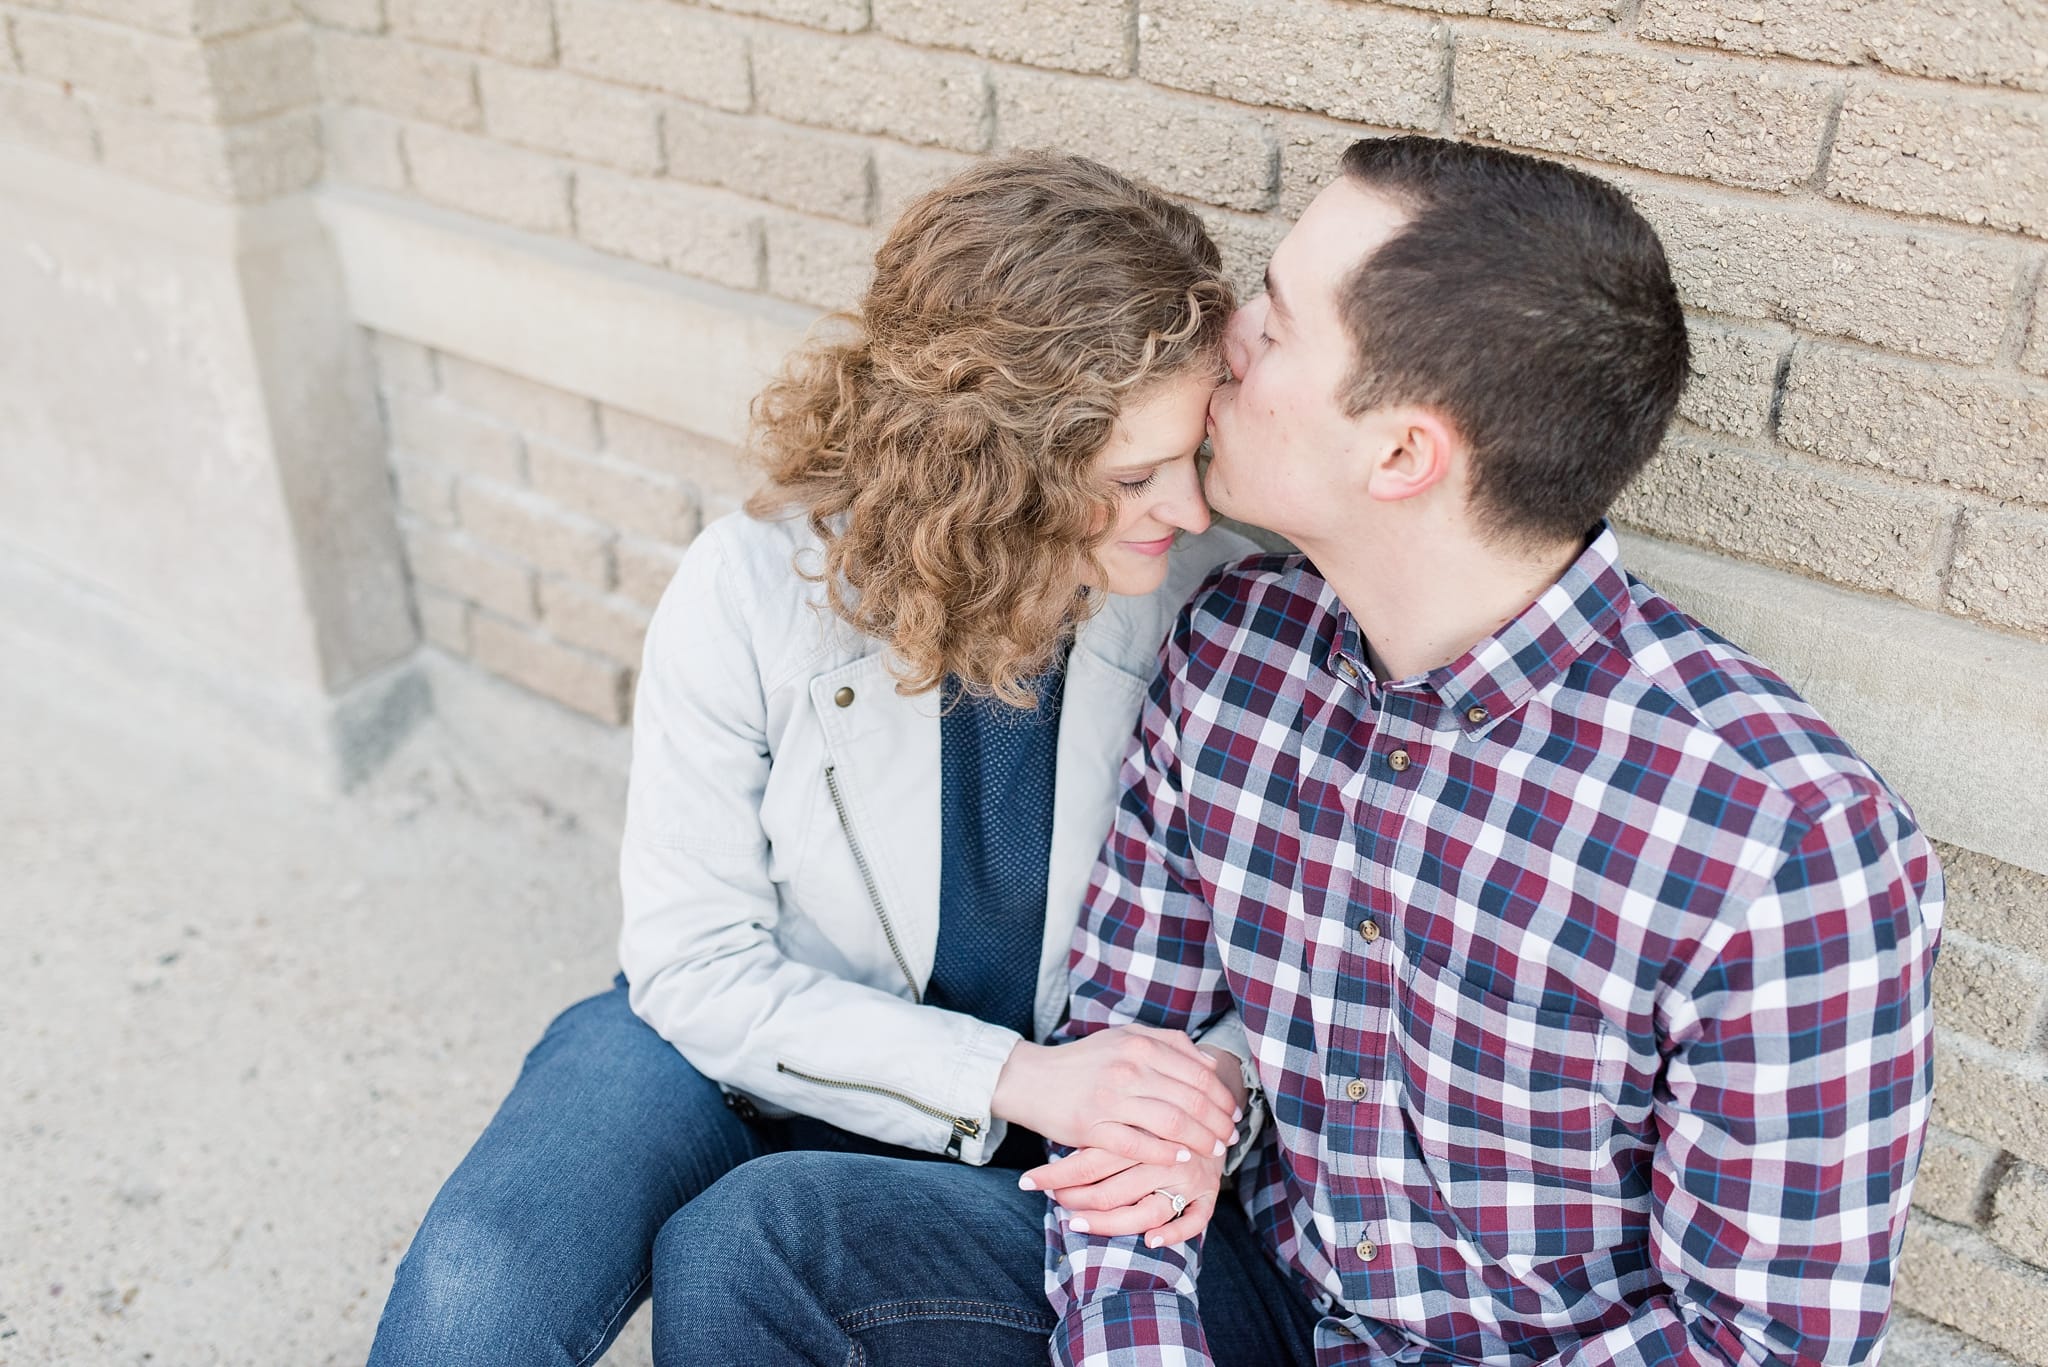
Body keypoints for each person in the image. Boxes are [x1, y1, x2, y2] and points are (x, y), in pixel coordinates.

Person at [653, 135, 1944, 1367]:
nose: (1225, 346)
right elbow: (1135, 1084)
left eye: (1269, 325)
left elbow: (1760, 1343)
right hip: (1262, 1290)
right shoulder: (1234, 647)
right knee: (764, 1239)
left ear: (1399, 451)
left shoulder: (1782, 843)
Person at [364, 151, 1263, 1367]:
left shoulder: (1209, 603)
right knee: (482, 1284)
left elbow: (1294, 966)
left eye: (1191, 457)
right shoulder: (747, 588)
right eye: (1134, 476)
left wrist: (1199, 1088)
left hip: (1033, 1143)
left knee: (737, 1259)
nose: (1191, 509)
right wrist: (1009, 1074)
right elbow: (691, 964)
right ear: (992, 462)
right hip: (743, 1051)